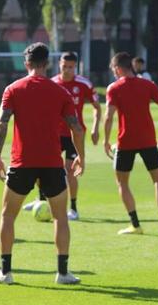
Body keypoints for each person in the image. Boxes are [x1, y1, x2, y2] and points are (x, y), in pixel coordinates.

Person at [0, 42, 85, 285]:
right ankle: (63, 273)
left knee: (8, 216)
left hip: (21, 163)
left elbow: (2, 123)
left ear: (27, 63)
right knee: (60, 217)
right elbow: (75, 127)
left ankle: (5, 272)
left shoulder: (13, 89)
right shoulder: (60, 92)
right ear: (48, 63)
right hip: (52, 163)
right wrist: (80, 156)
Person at [103, 52, 158, 235]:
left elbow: (108, 117)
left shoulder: (113, 88)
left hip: (125, 142)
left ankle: (135, 225)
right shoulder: (147, 84)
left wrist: (106, 140)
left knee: (122, 183)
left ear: (117, 68)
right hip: (148, 141)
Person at [22, 52, 101, 220]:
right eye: (64, 66)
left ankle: (73, 208)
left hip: (73, 134)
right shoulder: (52, 83)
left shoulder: (83, 84)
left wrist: (95, 128)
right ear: (59, 64)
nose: (67, 70)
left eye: (70, 67)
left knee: (70, 171)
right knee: (42, 167)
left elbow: (97, 106)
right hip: (54, 134)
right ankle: (41, 199)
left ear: (76, 67)